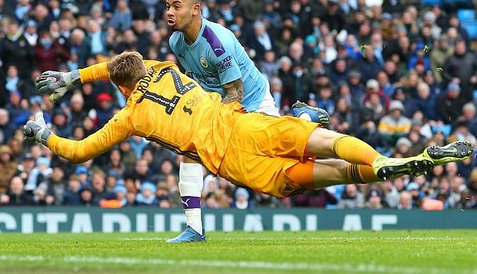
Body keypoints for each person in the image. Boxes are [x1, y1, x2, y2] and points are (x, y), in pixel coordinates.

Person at [27, 51, 473, 237]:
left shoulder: (127, 118)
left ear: (120, 88)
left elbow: (80, 151)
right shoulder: (165, 69)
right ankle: (389, 159)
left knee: (320, 177)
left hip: (231, 163)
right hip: (243, 123)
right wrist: (74, 76)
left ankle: (375, 170)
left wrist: (45, 133)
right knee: (326, 141)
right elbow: (119, 64)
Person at [37, 0, 331, 243]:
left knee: (270, 163)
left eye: (176, 6)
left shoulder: (219, 42)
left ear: (196, 9)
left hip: (251, 101)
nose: (169, 11)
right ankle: (194, 228)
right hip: (213, 106)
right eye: (166, 5)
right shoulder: (176, 42)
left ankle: (306, 118)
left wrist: (216, 133)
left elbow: (235, 93)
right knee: (189, 155)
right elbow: (117, 67)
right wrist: (72, 76)